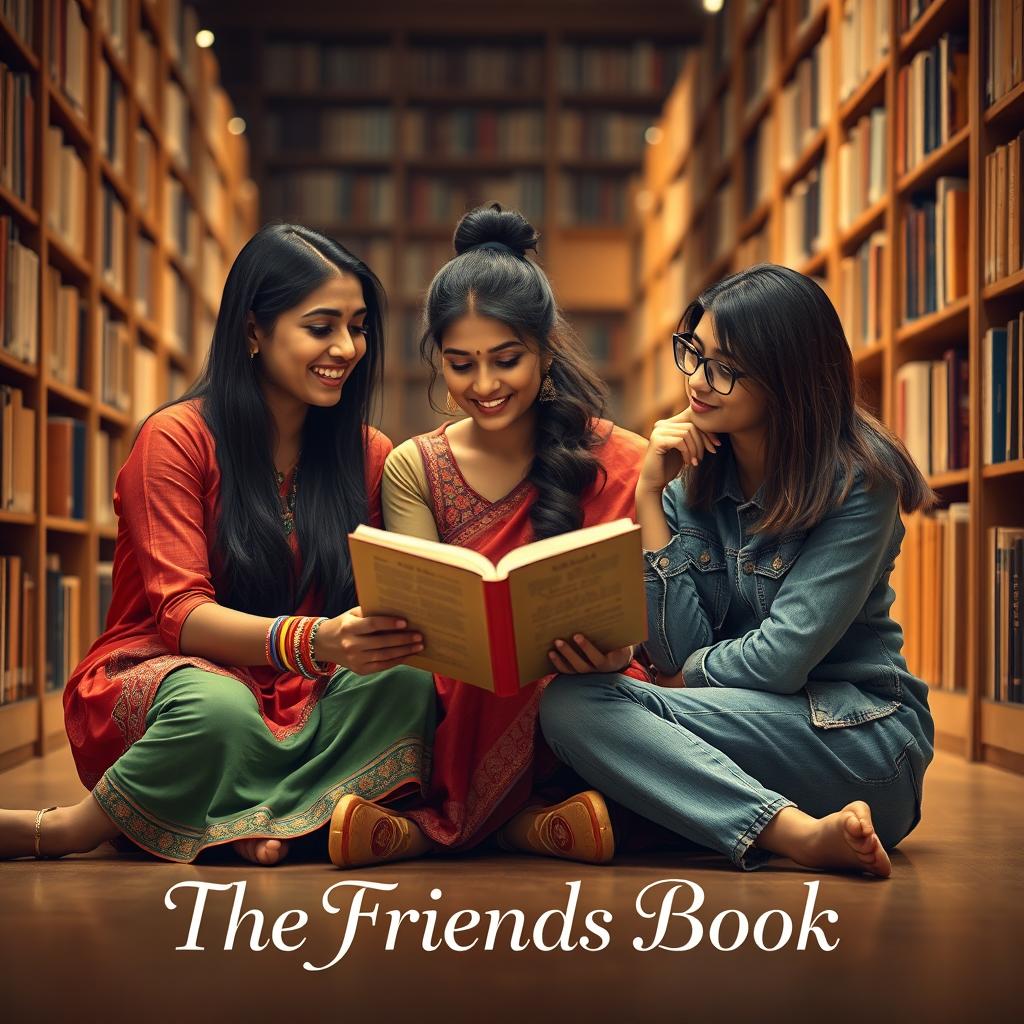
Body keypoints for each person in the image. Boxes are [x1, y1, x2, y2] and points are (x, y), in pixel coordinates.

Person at [0, 224, 434, 865]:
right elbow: (181, 618)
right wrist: (315, 640)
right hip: (173, 672)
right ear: (253, 331)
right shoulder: (177, 439)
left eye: (359, 326)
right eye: (321, 326)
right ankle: (72, 828)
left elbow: (378, 601)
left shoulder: (367, 454)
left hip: (305, 687)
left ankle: (240, 819)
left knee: (407, 686)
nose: (347, 347)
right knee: (216, 709)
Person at [539, 264, 936, 877]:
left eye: (724, 367)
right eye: (694, 353)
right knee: (569, 705)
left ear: (788, 378)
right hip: (741, 736)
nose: (699, 380)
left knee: (598, 729)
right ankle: (796, 834)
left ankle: (725, 819)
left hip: (859, 743)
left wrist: (678, 684)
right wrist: (648, 494)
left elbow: (780, 661)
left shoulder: (860, 482)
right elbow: (675, 652)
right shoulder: (687, 476)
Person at [327, 204, 649, 868]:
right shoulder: (416, 465)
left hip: (583, 685)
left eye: (506, 360)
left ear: (545, 350)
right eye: (461, 364)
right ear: (436, 360)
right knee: (423, 682)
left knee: (605, 698)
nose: (484, 385)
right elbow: (425, 613)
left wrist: (611, 651)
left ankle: (436, 830)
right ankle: (521, 825)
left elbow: (648, 616)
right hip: (457, 690)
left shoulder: (622, 459)